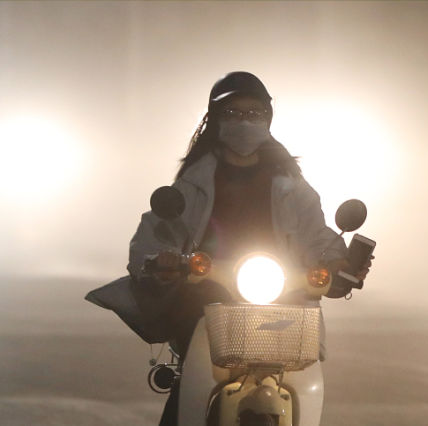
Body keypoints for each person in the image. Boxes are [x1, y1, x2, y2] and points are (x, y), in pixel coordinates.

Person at [126, 71, 372, 425]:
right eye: (233, 114)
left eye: (253, 114)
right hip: (209, 305)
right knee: (185, 401)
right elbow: (160, 232)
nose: (244, 123)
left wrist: (337, 261)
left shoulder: (293, 186)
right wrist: (159, 259)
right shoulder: (192, 184)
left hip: (285, 306)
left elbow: (316, 234)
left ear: (268, 120)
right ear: (215, 120)